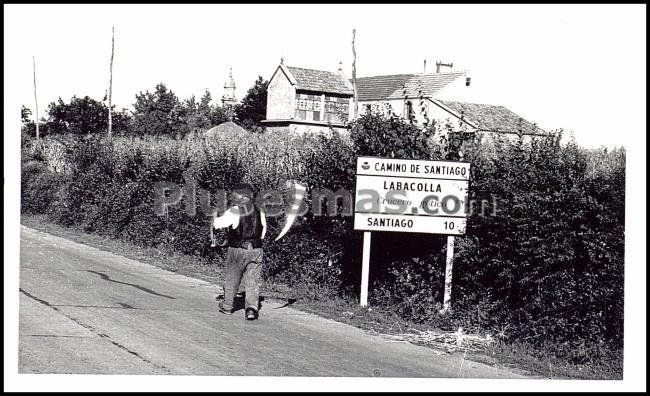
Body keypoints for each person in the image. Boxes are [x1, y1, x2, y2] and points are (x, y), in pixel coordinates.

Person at [212, 182, 266, 320]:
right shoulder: (260, 211)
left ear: (242, 196)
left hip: (238, 249)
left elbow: (218, 224)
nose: (233, 196)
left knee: (232, 278)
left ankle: (227, 306)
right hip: (257, 249)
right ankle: (251, 309)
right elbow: (263, 232)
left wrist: (215, 217)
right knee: (252, 281)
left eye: (236, 193)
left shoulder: (235, 210)